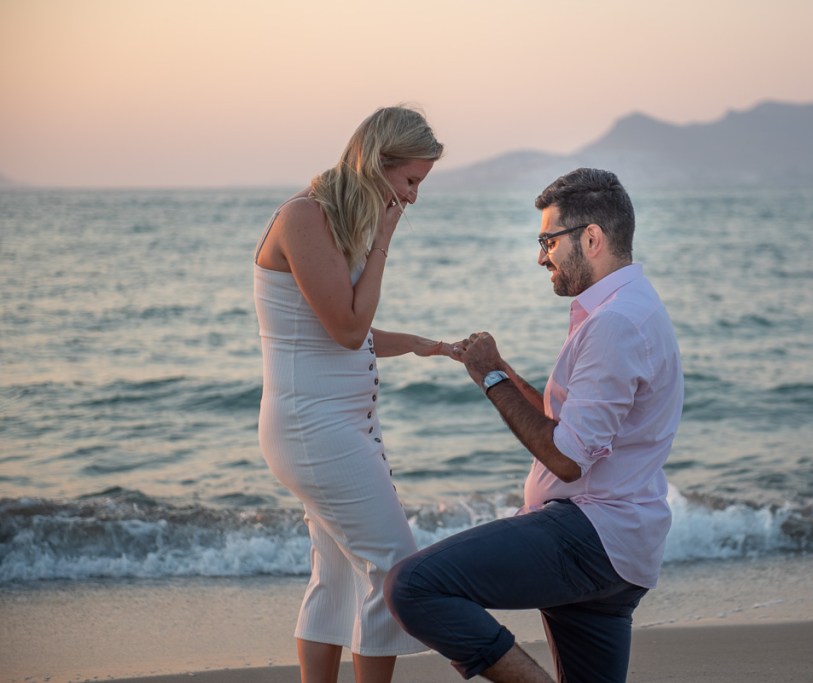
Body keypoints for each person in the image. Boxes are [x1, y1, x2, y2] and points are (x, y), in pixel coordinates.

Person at [385, 167, 685, 683]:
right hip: (618, 544)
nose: (541, 257)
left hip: (589, 535)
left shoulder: (614, 323)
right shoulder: (630, 307)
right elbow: (566, 424)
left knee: (412, 586)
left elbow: (567, 459)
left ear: (591, 238)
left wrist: (491, 378)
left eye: (548, 241)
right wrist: (498, 370)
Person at [253, 106, 455, 683]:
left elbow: (331, 332)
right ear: (376, 162)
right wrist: (384, 241)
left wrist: (419, 345)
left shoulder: (333, 221)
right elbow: (346, 329)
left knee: (338, 578)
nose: (412, 196)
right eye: (410, 180)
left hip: (335, 427)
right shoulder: (304, 216)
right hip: (313, 429)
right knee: (396, 571)